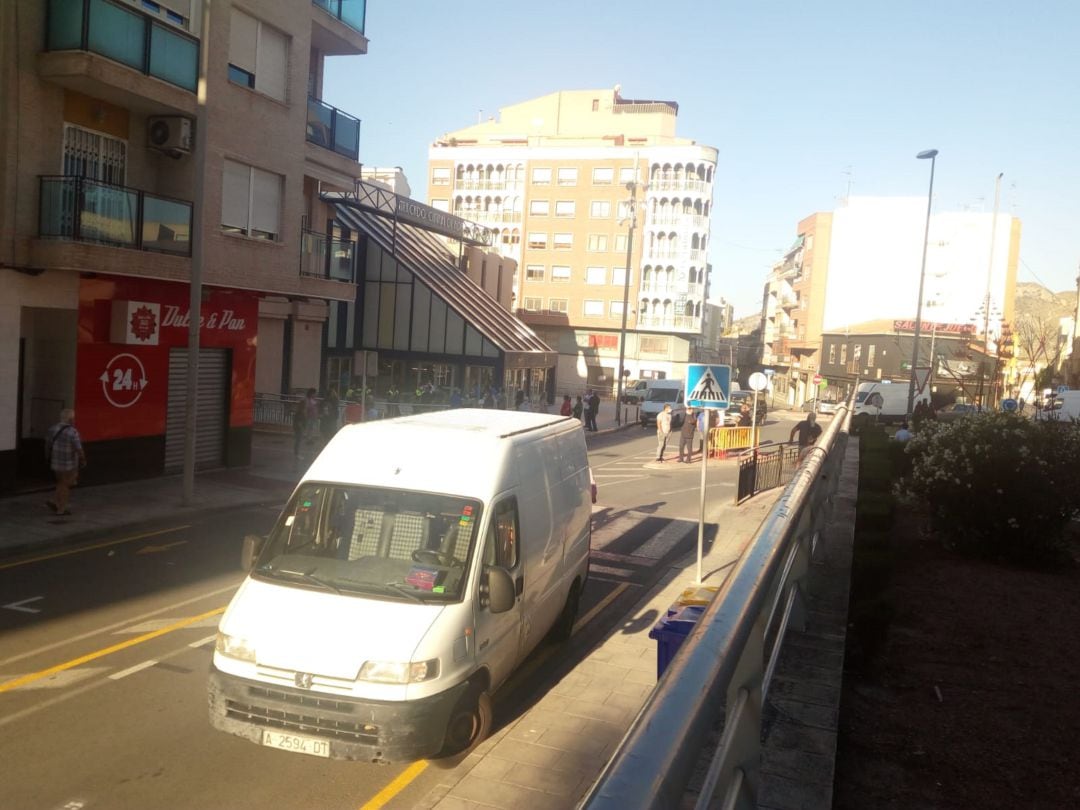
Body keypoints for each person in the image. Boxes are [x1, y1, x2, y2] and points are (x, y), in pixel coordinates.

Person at [45, 408, 86, 516]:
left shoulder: (52, 429)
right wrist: (83, 459)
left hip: (55, 461)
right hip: (68, 464)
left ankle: (55, 501)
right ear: (70, 419)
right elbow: (78, 448)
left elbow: (48, 444)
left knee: (61, 482)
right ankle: (61, 509)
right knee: (66, 485)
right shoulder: (73, 432)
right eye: (74, 418)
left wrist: (48, 457)